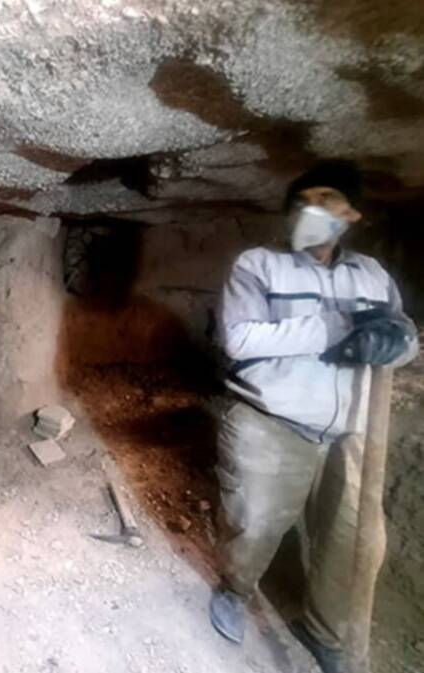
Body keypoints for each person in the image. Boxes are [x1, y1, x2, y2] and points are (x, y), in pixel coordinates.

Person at [208, 161, 418, 673]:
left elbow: (405, 335)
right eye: (302, 199)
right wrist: (334, 328)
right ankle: (235, 591)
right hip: (271, 420)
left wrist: (397, 343)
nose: (310, 209)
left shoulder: (371, 275)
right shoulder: (259, 265)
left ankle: (325, 631)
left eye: (325, 199)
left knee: (353, 542)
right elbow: (239, 338)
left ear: (351, 214)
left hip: (352, 428)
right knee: (254, 522)